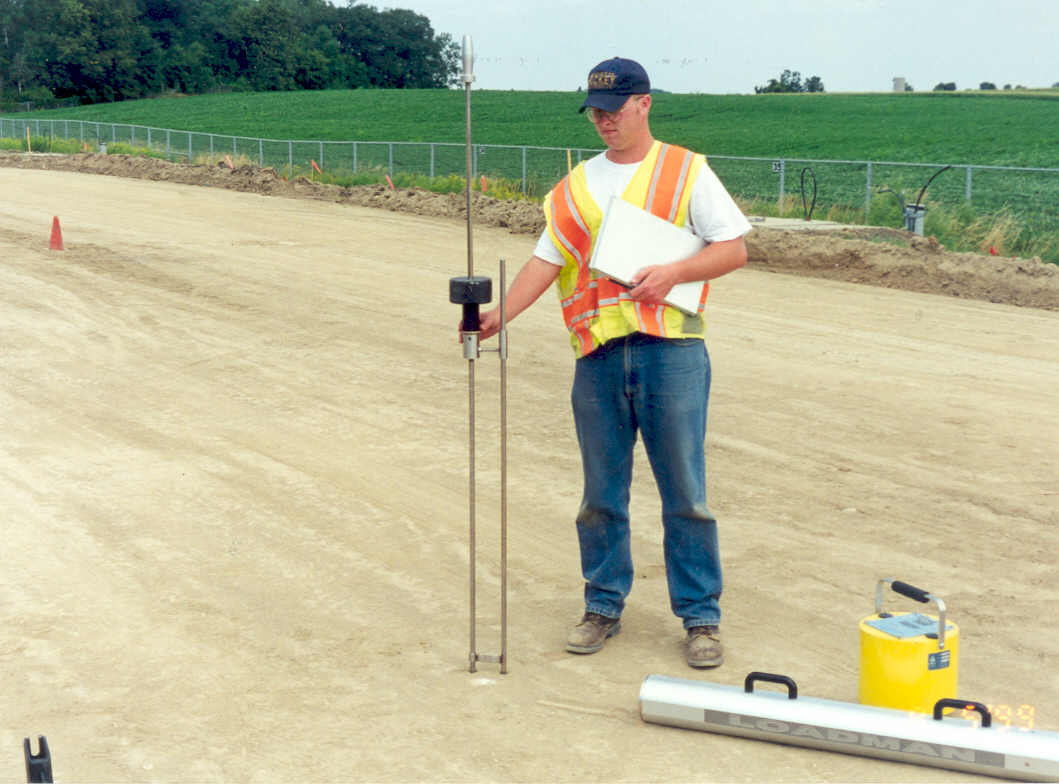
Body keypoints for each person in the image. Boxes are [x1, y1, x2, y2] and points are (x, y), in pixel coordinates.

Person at [475, 57, 751, 668]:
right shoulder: (575, 186)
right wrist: (501, 315)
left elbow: (733, 250)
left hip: (671, 350)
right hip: (597, 354)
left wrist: (675, 273)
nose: (604, 120)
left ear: (644, 104)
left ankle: (700, 617)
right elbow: (547, 259)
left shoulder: (686, 171)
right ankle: (602, 605)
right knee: (601, 494)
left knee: (685, 494)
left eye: (615, 109)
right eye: (595, 111)